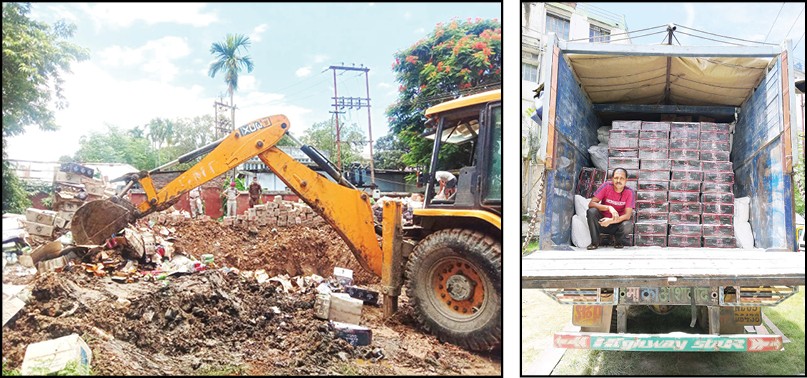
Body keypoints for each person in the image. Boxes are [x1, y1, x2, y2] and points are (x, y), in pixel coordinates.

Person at [586, 167, 635, 249]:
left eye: (622, 178)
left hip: (616, 225)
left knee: (628, 225)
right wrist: (609, 207)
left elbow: (627, 216)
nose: (618, 181)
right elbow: (591, 204)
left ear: (626, 180)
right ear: (612, 179)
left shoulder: (629, 192)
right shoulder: (606, 186)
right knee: (591, 211)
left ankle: (618, 240)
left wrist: (611, 220)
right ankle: (595, 242)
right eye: (616, 178)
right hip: (602, 222)